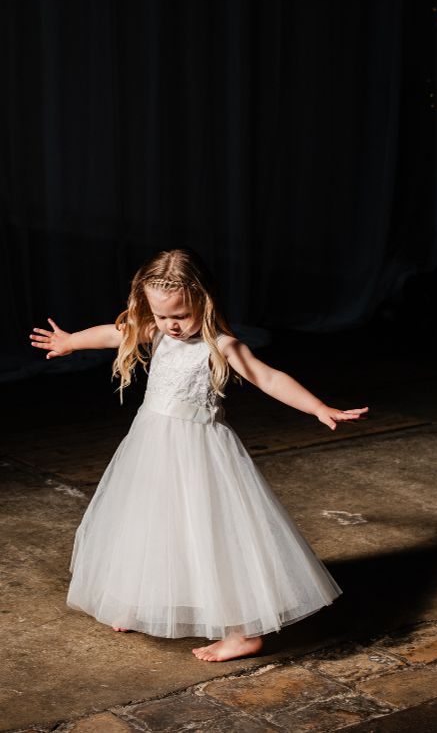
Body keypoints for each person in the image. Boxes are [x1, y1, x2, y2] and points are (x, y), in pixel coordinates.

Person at [29, 248, 369, 662]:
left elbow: (267, 377)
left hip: (200, 451)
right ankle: (144, 603)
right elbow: (113, 333)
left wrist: (318, 407)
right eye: (161, 316)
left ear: (204, 301)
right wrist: (70, 342)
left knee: (212, 532)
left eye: (181, 315)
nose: (170, 325)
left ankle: (241, 632)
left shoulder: (221, 345)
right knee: (150, 523)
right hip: (151, 445)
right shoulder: (156, 331)